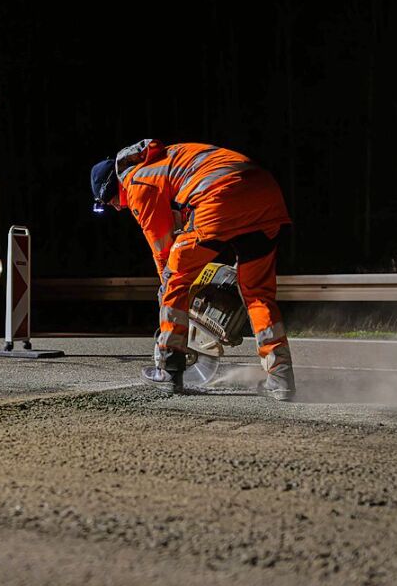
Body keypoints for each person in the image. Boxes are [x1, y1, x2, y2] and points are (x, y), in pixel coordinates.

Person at [90, 139, 295, 400]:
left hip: (222, 195)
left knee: (174, 279)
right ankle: (280, 376)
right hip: (267, 196)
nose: (116, 207)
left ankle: (169, 367)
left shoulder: (136, 181)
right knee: (258, 294)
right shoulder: (164, 162)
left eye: (109, 202)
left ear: (113, 187)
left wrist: (166, 290)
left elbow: (162, 250)